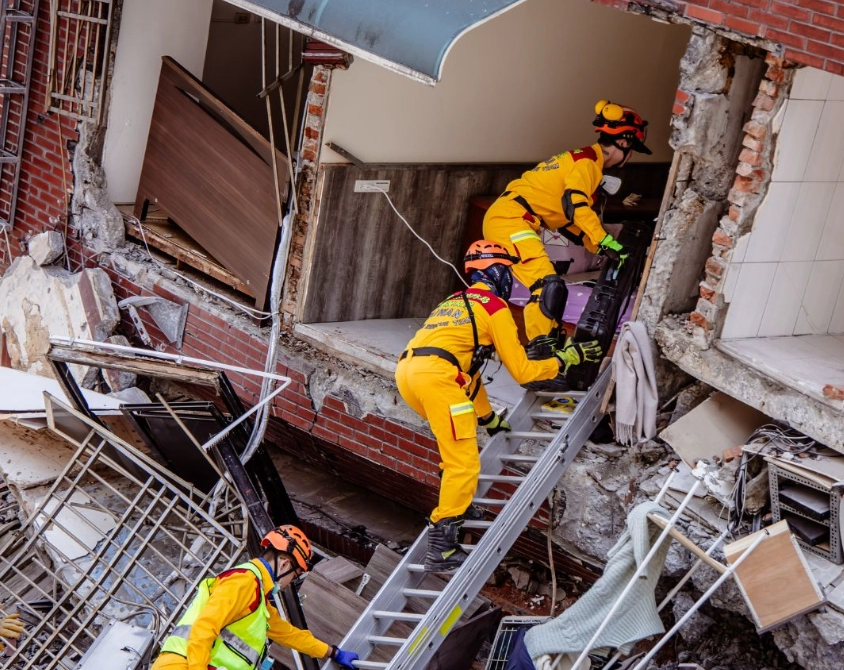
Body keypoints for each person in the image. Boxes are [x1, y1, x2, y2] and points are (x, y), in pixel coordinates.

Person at [395, 241, 603, 571]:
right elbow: (522, 371)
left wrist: (489, 418)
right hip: (438, 380)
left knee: (456, 453)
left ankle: (458, 508)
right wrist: (565, 358)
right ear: (496, 273)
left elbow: (469, 372)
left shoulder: (453, 302)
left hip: (411, 375)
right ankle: (442, 546)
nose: (511, 279)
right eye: (508, 272)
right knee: (463, 463)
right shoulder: (493, 307)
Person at [483, 100, 651, 356]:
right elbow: (577, 205)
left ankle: (546, 342)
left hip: (509, 216)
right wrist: (606, 241)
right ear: (625, 143)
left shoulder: (581, 159)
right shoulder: (588, 165)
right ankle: (541, 351)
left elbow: (568, 225)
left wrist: (598, 247)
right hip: (512, 219)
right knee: (546, 284)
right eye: (633, 150)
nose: (630, 156)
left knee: (546, 283)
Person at [151, 525, 361, 670]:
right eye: (294, 576)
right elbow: (204, 628)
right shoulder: (244, 582)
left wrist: (331, 652)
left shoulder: (257, 596)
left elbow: (289, 634)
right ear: (286, 564)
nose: (289, 584)